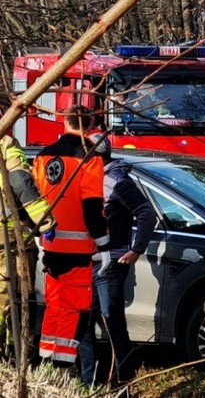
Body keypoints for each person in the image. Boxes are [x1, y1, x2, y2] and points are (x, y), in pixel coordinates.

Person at [33, 105, 110, 365]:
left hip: (50, 246)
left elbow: (35, 201)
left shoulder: (43, 156)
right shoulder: (89, 158)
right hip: (78, 249)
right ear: (89, 127)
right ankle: (63, 367)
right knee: (75, 310)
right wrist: (104, 243)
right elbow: (92, 207)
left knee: (54, 306)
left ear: (64, 123)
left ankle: (46, 364)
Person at [79, 133, 157, 385]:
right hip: (86, 262)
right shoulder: (86, 179)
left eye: (85, 154)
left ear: (96, 156)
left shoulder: (117, 180)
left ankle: (124, 381)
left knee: (112, 322)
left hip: (111, 263)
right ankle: (90, 382)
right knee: (83, 324)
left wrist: (136, 250)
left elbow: (146, 213)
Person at [0, 132, 57, 356]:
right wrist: (46, 222)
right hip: (10, 241)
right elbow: (21, 183)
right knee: (16, 299)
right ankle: (18, 356)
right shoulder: (6, 145)